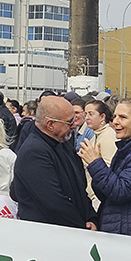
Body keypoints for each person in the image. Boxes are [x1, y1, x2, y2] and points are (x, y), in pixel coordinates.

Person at [78, 98, 131, 239]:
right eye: (115, 116)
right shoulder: (127, 147)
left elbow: (121, 191)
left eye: (123, 117)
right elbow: (108, 192)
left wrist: (95, 163)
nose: (116, 121)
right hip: (122, 227)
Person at [11, 96, 97, 229]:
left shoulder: (63, 143)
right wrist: (82, 227)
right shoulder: (34, 152)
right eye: (69, 122)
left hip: (72, 230)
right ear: (50, 124)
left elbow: (79, 188)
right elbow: (54, 203)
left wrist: (91, 217)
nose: (74, 125)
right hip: (48, 236)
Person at [81, 99, 119, 211]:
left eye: (91, 114)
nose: (87, 117)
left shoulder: (108, 136)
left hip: (98, 195)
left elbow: (109, 167)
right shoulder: (96, 135)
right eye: (85, 114)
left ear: (102, 117)